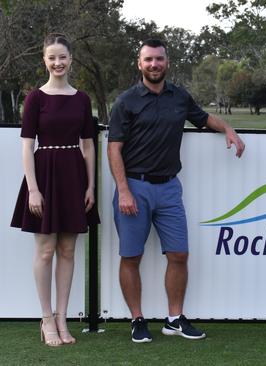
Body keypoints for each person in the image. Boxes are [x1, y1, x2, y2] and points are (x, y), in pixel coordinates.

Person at [107, 39, 245, 343]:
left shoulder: (179, 96)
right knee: (131, 256)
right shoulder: (126, 101)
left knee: (179, 255)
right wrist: (124, 190)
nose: (154, 65)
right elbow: (114, 149)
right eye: (148, 60)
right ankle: (137, 320)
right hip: (134, 186)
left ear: (167, 63)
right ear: (139, 64)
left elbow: (203, 118)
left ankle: (174, 319)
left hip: (169, 188)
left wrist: (228, 128)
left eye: (159, 59)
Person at [11, 33, 99, 347]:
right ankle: (46, 318)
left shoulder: (82, 98)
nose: (58, 63)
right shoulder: (35, 98)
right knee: (45, 251)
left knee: (68, 250)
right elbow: (26, 146)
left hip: (74, 176)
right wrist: (33, 190)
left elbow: (88, 146)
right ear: (45, 61)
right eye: (52, 57)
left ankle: (62, 318)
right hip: (44, 177)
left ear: (71, 59)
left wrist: (91, 186)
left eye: (62, 57)